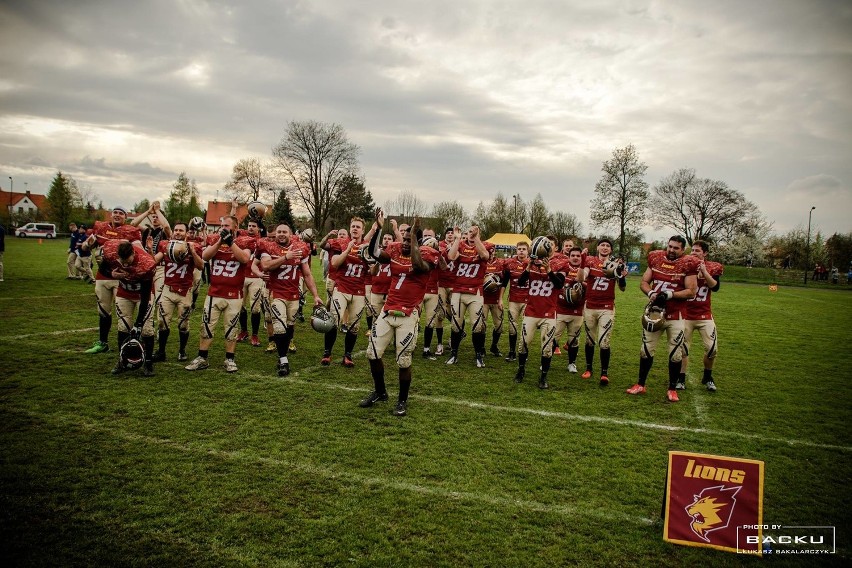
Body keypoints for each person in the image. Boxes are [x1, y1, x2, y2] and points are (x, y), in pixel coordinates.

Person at [360, 210, 439, 416]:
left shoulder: (427, 254)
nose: (403, 242)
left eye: (408, 239)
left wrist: (414, 243)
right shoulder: (394, 250)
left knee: (403, 360)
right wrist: (377, 228)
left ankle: (402, 401)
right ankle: (380, 392)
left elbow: (420, 267)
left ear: (418, 242)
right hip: (388, 311)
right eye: (403, 239)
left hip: (408, 314)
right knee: (372, 353)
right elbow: (375, 253)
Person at [626, 236, 698, 402]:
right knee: (646, 349)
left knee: (675, 353)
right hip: (656, 312)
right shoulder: (656, 257)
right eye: (670, 246)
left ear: (683, 249)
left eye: (676, 248)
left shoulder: (689, 263)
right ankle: (640, 384)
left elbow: (691, 291)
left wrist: (670, 294)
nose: (672, 250)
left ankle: (672, 388)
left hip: (676, 315)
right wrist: (651, 293)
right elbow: (644, 281)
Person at [184, 215, 253, 373]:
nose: (223, 228)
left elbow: (244, 259)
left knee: (231, 328)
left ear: (235, 227)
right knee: (207, 326)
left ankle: (229, 359)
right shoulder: (214, 239)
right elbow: (205, 256)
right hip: (214, 292)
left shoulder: (244, 241)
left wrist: (231, 243)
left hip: (234, 294)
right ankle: (202, 357)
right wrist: (220, 242)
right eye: (222, 225)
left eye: (227, 226)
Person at [259, 224, 323, 376]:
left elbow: (307, 275)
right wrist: (285, 257)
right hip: (276, 293)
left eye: (284, 232)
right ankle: (283, 360)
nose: (281, 234)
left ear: (291, 234)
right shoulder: (268, 246)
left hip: (293, 294)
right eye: (279, 231)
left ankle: (283, 355)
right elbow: (266, 265)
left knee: (289, 327)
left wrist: (315, 295)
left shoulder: (299, 249)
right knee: (279, 327)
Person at [80, 207, 143, 354]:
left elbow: (139, 253)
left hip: (120, 276)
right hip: (103, 275)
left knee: (123, 311)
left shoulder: (130, 231)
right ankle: (103, 342)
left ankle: (129, 343)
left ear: (125, 217)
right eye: (115, 212)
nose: (117, 215)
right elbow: (85, 247)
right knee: (103, 310)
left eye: (121, 213)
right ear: (111, 215)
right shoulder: (101, 228)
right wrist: (88, 244)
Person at [321, 217, 375, 367]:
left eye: (358, 227)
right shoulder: (342, 242)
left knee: (354, 326)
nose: (355, 229)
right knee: (333, 321)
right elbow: (335, 263)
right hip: (341, 288)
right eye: (353, 226)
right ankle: (327, 352)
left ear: (363, 230)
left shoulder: (367, 247)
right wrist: (347, 249)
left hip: (358, 291)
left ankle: (348, 355)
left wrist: (371, 261)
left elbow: (373, 271)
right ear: (350, 229)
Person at [99, 240, 157, 376]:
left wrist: (138, 324)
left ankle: (148, 363)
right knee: (123, 327)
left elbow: (145, 297)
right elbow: (102, 269)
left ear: (133, 253)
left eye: (127, 261)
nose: (124, 264)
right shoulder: (111, 252)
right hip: (124, 293)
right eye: (122, 261)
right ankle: (121, 360)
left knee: (147, 329)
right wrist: (111, 274)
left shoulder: (146, 263)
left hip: (142, 295)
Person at [513, 242, 566, 388]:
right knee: (523, 344)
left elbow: (559, 284)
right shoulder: (531, 263)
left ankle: (543, 377)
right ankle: (521, 370)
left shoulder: (561, 264)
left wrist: (549, 270)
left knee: (547, 348)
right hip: (531, 312)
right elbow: (521, 282)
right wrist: (529, 267)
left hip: (548, 313)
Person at [152, 222, 204, 362]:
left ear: (187, 233)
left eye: (181, 230)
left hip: (185, 291)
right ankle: (161, 351)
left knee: (183, 324)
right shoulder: (165, 245)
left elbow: (200, 266)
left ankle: (182, 350)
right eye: (176, 230)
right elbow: (154, 260)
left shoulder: (194, 246)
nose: (177, 232)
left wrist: (192, 252)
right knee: (162, 322)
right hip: (168, 289)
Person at [678, 240, 722, 392]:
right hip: (686, 315)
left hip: (705, 315)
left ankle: (708, 376)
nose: (693, 253)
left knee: (712, 349)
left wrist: (704, 272)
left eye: (697, 251)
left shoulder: (712, 267)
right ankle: (681, 378)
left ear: (705, 253)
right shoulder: (685, 265)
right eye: (692, 250)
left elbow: (715, 287)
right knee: (682, 349)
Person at [581, 238, 626, 385]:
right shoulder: (590, 261)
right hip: (590, 306)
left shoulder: (615, 264)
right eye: (602, 245)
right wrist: (582, 262)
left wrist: (621, 276)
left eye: (608, 246)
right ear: (598, 247)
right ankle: (589, 368)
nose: (605, 247)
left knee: (604, 341)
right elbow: (582, 277)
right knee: (589, 339)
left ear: (611, 250)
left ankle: (604, 373)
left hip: (606, 307)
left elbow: (622, 288)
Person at [445, 225, 491, 367]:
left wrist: (476, 238)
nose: (470, 234)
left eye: (474, 231)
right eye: (469, 231)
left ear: (479, 233)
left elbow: (485, 256)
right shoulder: (461, 245)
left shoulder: (486, 245)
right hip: (458, 291)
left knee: (477, 325)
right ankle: (454, 353)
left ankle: (478, 355)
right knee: (456, 324)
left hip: (475, 292)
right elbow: (451, 256)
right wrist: (458, 239)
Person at [553, 246, 585, 374]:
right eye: (573, 255)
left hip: (577, 310)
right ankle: (546, 361)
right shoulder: (563, 267)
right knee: (553, 337)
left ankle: (572, 363)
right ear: (569, 257)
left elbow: (588, 287)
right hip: (560, 308)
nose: (576, 258)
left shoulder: (584, 270)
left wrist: (578, 285)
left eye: (578, 256)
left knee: (574, 339)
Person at [234, 219, 265, 346]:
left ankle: (255, 335)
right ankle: (244, 331)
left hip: (256, 278)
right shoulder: (242, 237)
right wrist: (234, 208)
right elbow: (232, 226)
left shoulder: (262, 240)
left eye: (253, 226)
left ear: (259, 228)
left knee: (255, 309)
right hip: (242, 276)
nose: (251, 228)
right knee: (240, 306)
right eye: (249, 226)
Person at [502, 241, 531, 362]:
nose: (521, 251)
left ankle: (524, 352)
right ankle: (512, 351)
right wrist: (500, 299)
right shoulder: (510, 263)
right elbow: (505, 283)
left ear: (528, 251)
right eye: (519, 249)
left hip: (527, 300)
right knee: (512, 326)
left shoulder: (532, 263)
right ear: (516, 250)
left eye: (524, 249)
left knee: (527, 328)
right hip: (513, 299)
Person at [483, 247, 506, 357]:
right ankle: (481, 348)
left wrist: (501, 299)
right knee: (481, 325)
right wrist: (486, 278)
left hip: (496, 299)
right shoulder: (481, 261)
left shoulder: (501, 263)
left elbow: (504, 282)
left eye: (491, 252)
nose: (490, 254)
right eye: (488, 252)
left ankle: (494, 346)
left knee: (499, 325)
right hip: (483, 299)